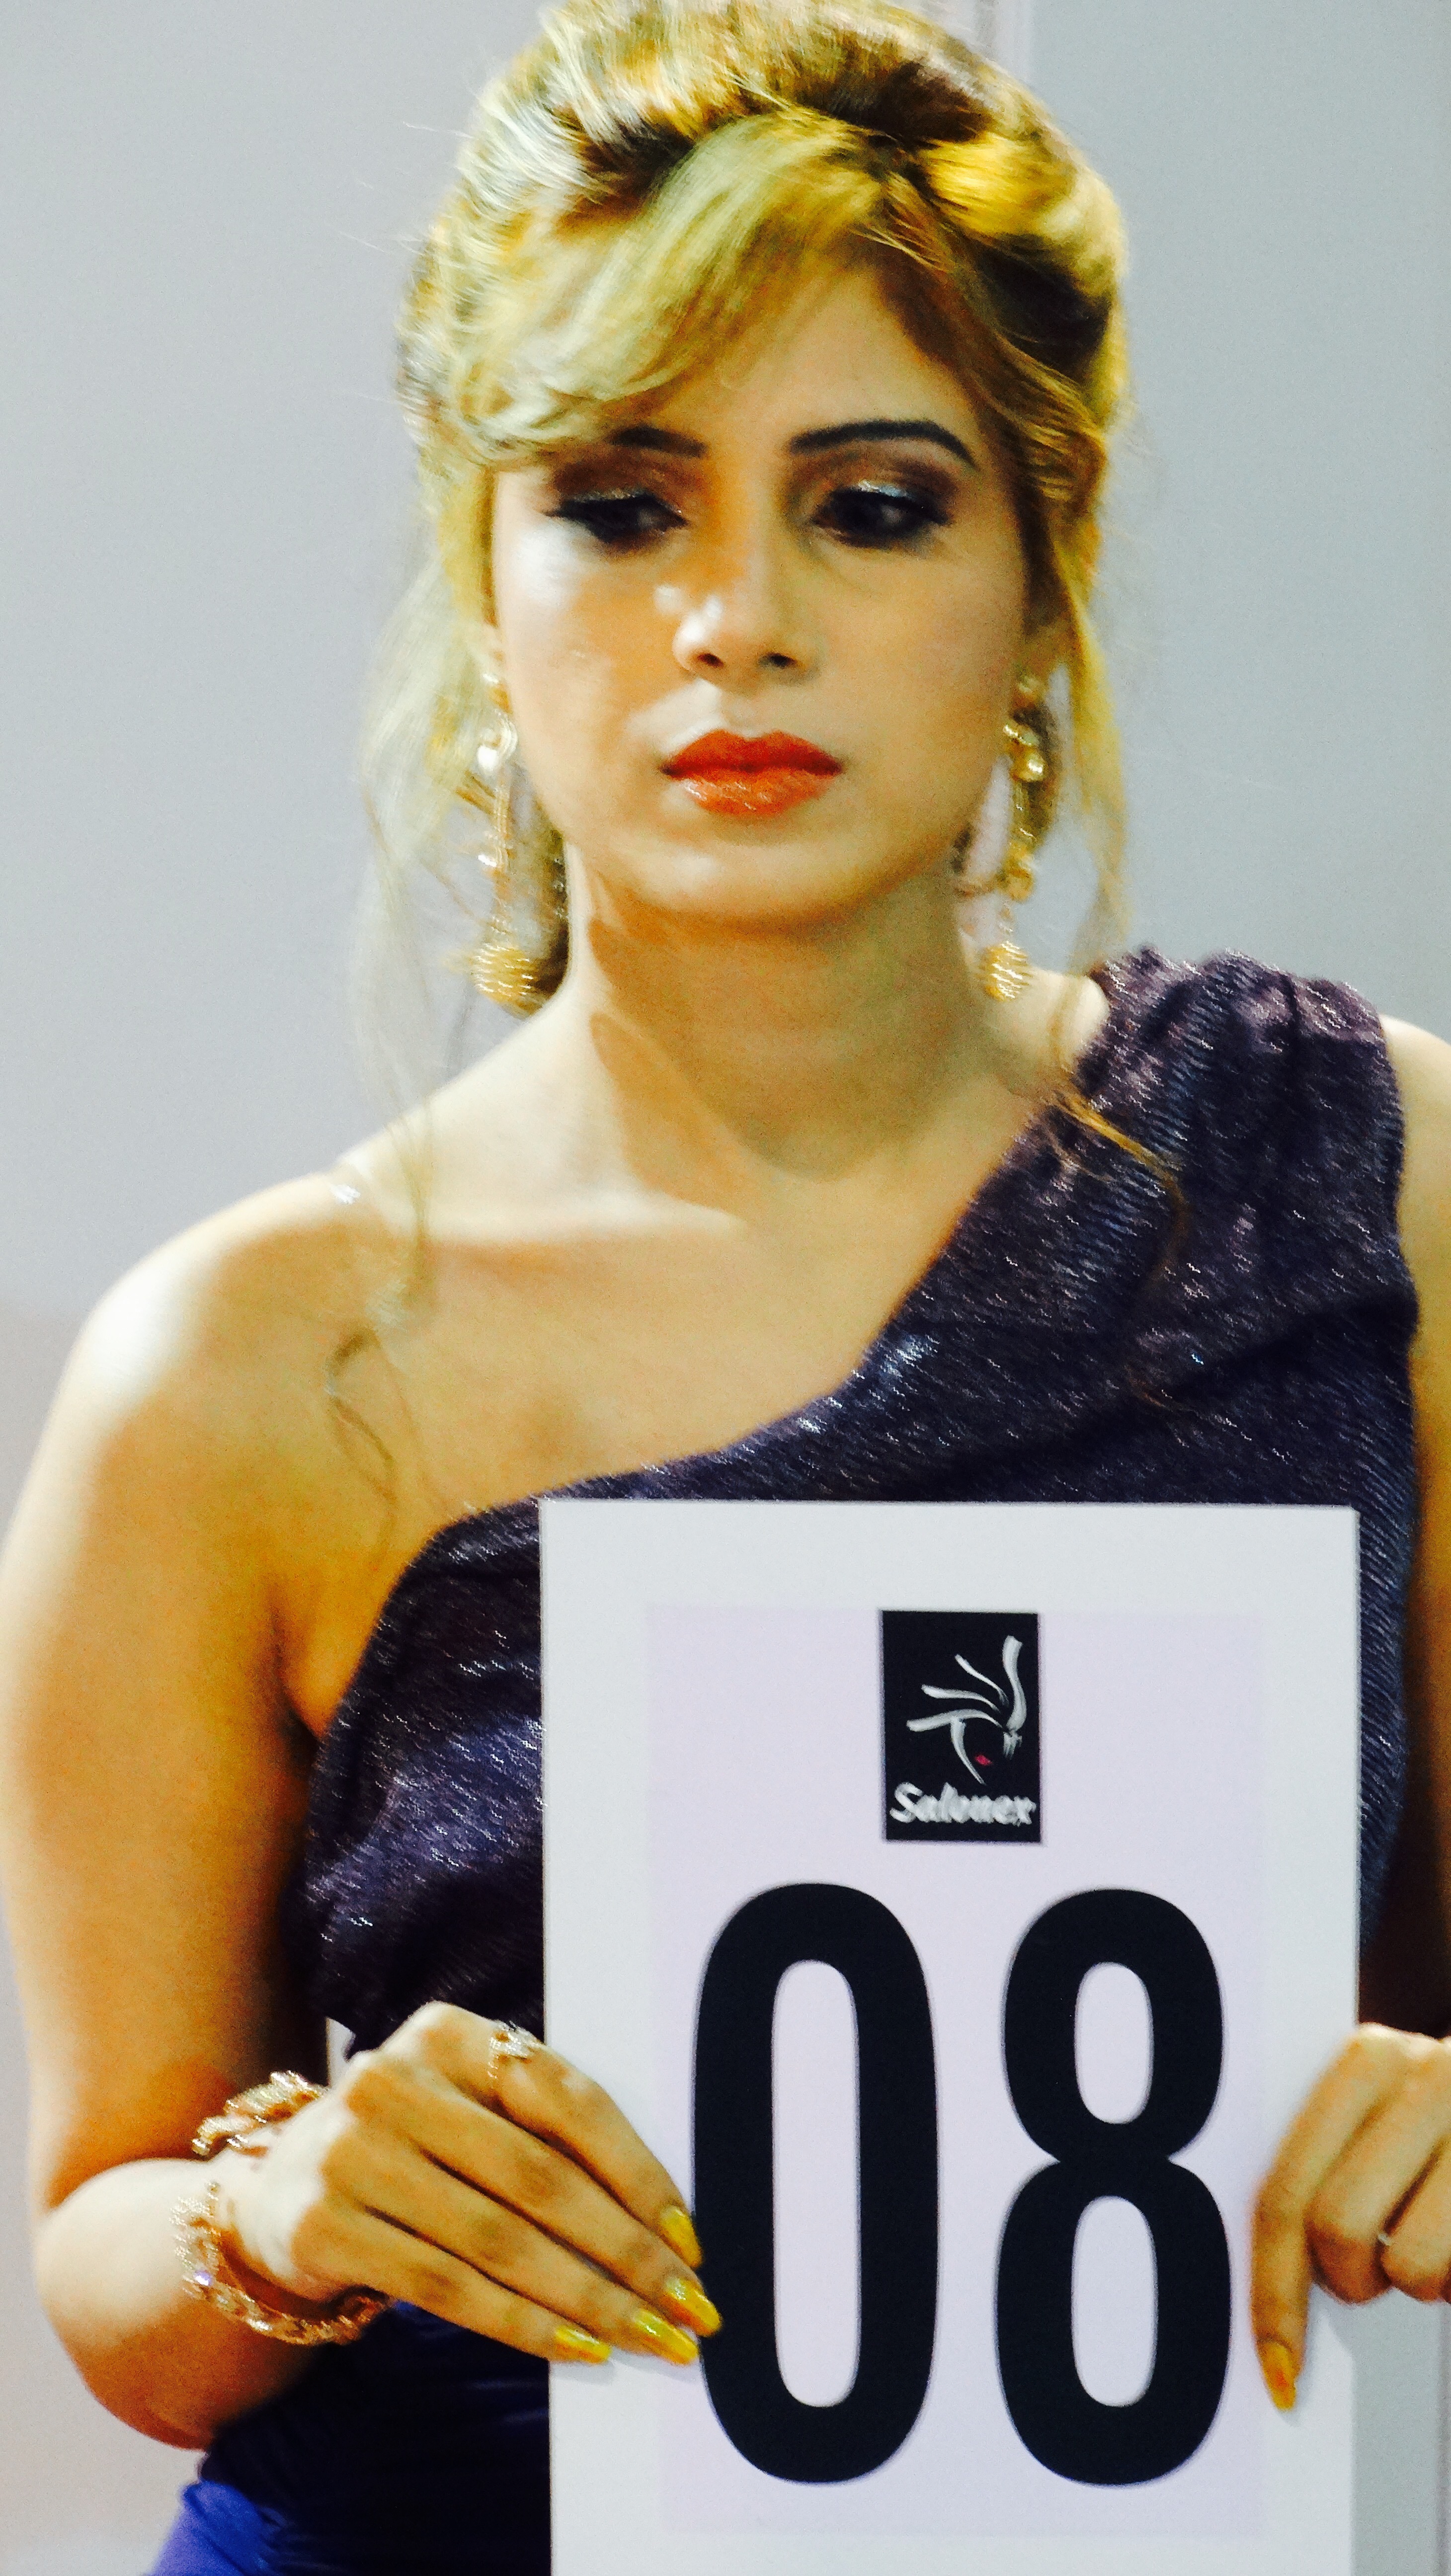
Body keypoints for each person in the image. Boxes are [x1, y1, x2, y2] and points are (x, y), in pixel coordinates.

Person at [1, 0, 1450, 2567]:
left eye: (870, 506)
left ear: (1043, 571)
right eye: (619, 503)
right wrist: (287, 2205)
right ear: (488, 581)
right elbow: (111, 2267)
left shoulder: (1360, 1186)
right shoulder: (241, 1365)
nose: (735, 619)